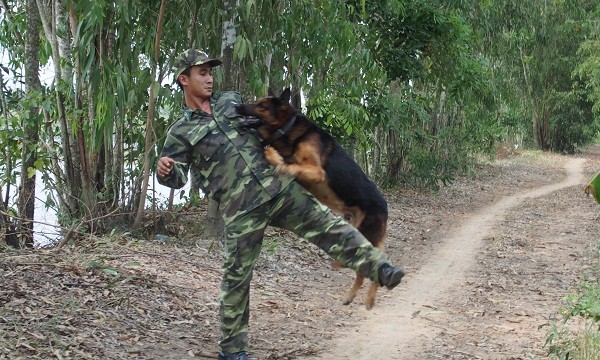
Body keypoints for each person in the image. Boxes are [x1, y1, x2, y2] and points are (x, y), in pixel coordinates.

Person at [156, 49, 406, 360]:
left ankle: (381, 269)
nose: (209, 78)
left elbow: (271, 124)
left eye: (210, 72)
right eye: (201, 73)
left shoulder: (230, 101)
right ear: (184, 79)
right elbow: (178, 177)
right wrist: (166, 170)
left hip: (280, 187)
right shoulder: (180, 131)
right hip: (241, 207)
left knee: (330, 228)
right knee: (237, 276)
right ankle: (232, 352)